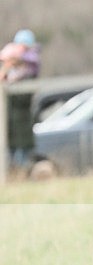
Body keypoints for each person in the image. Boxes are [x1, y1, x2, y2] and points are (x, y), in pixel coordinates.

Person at [0, 29, 41, 168]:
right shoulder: (12, 74)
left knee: (20, 162)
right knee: (11, 161)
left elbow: (22, 99)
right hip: (10, 127)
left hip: (21, 126)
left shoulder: (29, 73)